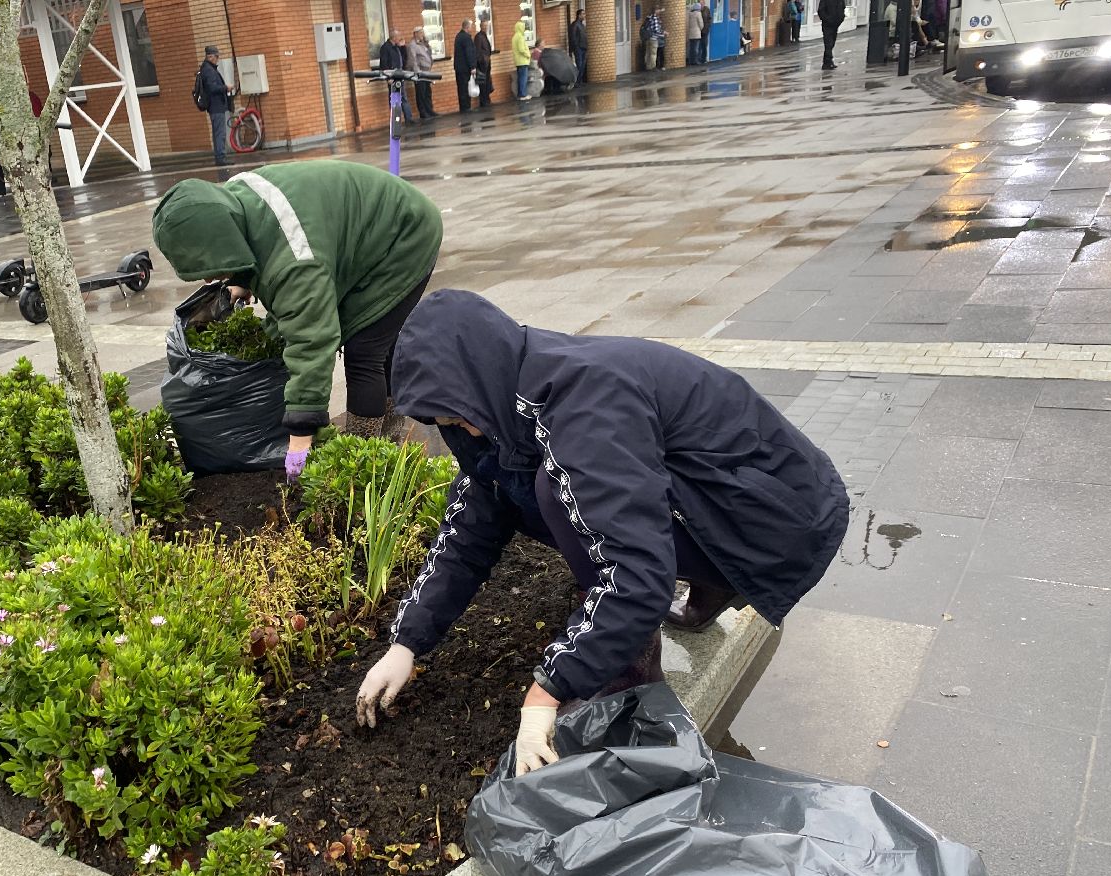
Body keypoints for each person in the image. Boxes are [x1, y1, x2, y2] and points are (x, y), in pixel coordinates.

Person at [354, 291, 848, 776]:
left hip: (776, 518)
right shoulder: (511, 398)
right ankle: (710, 585)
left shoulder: (585, 406)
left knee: (557, 492)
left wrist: (547, 691)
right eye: (445, 422)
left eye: (459, 416)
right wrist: (406, 644)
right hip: (721, 500)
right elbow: (468, 530)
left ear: (480, 374)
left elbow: (636, 575)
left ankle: (628, 671)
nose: (464, 430)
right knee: (518, 486)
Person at [151, 161, 443, 478]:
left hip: (404, 236)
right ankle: (387, 443)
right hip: (369, 224)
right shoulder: (236, 199)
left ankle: (363, 458)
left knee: (365, 352)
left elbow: (311, 341)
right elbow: (260, 240)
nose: (208, 279)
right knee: (374, 343)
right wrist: (242, 277)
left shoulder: (295, 263)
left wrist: (300, 440)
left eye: (210, 268)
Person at [197, 45, 233, 166]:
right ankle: (220, 157)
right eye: (216, 57)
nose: (217, 59)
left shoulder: (208, 68)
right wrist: (225, 87)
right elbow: (212, 88)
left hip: (215, 106)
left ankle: (220, 156)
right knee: (220, 132)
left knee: (218, 132)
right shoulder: (209, 70)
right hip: (216, 106)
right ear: (211, 57)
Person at [379, 29, 415, 123]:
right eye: (398, 36)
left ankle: (409, 118)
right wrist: (388, 77)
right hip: (393, 76)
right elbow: (384, 63)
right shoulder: (386, 48)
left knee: (403, 97)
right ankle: (395, 120)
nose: (400, 38)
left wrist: (403, 47)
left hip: (400, 74)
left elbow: (404, 58)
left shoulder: (396, 47)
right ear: (394, 37)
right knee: (395, 98)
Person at [408, 27, 439, 119]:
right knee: (421, 93)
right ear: (415, 34)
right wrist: (417, 73)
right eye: (421, 33)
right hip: (420, 72)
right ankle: (423, 112)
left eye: (423, 33)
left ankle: (430, 110)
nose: (422, 35)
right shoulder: (413, 45)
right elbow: (413, 60)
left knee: (427, 92)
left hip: (427, 71)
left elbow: (428, 54)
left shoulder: (423, 44)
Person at [453, 19, 477, 112]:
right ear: (467, 27)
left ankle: (463, 107)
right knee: (465, 88)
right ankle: (466, 107)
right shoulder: (466, 38)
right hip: (464, 68)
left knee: (461, 88)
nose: (472, 28)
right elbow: (469, 53)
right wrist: (472, 67)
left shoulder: (458, 36)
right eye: (471, 26)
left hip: (459, 67)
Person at [474, 15, 496, 106]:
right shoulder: (479, 37)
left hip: (486, 63)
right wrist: (482, 61)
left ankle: (486, 99)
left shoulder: (484, 36)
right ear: (480, 26)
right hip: (482, 64)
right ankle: (484, 101)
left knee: (487, 82)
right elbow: (478, 51)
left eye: (487, 26)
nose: (485, 27)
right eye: (484, 26)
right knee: (483, 83)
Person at [818, 0, 846, 68]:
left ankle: (827, 62)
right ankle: (828, 61)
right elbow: (821, 11)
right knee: (828, 44)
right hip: (827, 24)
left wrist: (841, 18)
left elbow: (842, 9)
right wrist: (827, 19)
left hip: (835, 24)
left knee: (832, 43)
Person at [512, 19, 533, 100]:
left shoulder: (514, 37)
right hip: (523, 60)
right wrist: (528, 54)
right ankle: (523, 95)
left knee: (520, 78)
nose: (524, 29)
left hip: (518, 61)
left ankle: (520, 94)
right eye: (523, 27)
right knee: (523, 78)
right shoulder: (520, 37)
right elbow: (521, 49)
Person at [642, 4, 667, 70]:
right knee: (653, 54)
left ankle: (647, 66)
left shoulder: (648, 17)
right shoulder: (655, 18)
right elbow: (656, 30)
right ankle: (652, 67)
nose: (659, 11)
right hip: (653, 38)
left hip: (648, 37)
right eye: (658, 10)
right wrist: (663, 32)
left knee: (648, 52)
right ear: (656, 11)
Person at [569, 9, 588, 82]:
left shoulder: (582, 25)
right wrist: (576, 48)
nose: (584, 15)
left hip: (583, 47)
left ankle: (579, 80)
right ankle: (576, 81)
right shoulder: (575, 25)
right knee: (579, 65)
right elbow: (573, 37)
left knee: (582, 65)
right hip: (579, 48)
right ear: (579, 15)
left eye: (584, 14)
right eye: (583, 14)